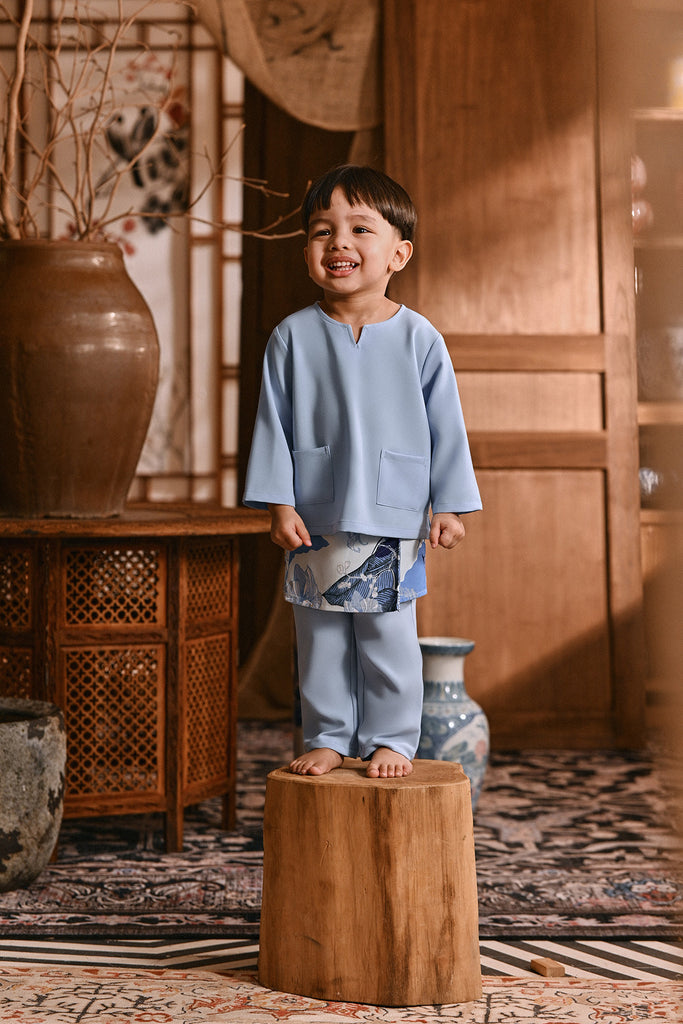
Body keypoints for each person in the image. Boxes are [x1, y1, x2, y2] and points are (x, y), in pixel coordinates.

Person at [243, 164, 481, 779]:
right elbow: (272, 425)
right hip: (314, 511)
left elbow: (447, 428)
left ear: (399, 253)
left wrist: (451, 507)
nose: (338, 242)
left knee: (386, 635)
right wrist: (278, 504)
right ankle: (326, 736)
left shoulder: (420, 339)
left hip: (393, 514)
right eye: (322, 230)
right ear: (307, 251)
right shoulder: (290, 338)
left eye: (359, 228)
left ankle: (392, 739)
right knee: (319, 635)